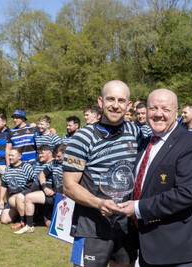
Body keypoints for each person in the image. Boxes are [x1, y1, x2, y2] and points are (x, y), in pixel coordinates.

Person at [119, 89, 192, 266]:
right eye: (153, 108)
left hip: (177, 250)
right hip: (146, 247)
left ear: (176, 112)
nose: (158, 114)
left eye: (165, 109)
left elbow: (186, 193)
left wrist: (137, 208)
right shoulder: (144, 144)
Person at [62, 80, 140, 267]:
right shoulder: (82, 138)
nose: (115, 105)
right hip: (91, 226)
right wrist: (99, 203)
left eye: (121, 100)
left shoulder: (135, 132)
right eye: (110, 99)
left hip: (125, 225)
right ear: (100, 102)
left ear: (128, 105)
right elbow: (68, 186)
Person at [15, 144, 66, 234]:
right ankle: (29, 226)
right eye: (56, 156)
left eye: (58, 156)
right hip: (56, 195)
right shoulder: (54, 163)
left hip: (68, 197)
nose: (56, 158)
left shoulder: (72, 165)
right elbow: (42, 174)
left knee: (54, 225)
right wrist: (45, 187)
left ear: (66, 153)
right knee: (29, 197)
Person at [0, 148, 34, 228]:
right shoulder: (8, 169)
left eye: (12, 155)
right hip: (13, 200)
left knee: (13, 199)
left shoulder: (27, 167)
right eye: (9, 155)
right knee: (4, 220)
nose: (10, 157)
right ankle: (20, 214)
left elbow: (34, 182)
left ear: (19, 156)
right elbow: (4, 185)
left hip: (24, 197)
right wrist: (1, 199)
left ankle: (23, 220)